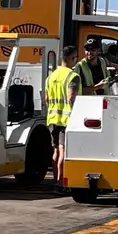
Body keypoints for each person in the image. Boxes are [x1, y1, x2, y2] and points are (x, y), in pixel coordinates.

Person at [43, 45, 80, 194]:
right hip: (67, 119)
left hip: (53, 118)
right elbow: (72, 97)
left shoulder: (51, 76)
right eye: (75, 58)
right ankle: (62, 182)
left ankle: (55, 180)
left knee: (56, 150)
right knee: (64, 150)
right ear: (72, 58)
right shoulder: (73, 76)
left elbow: (46, 98)